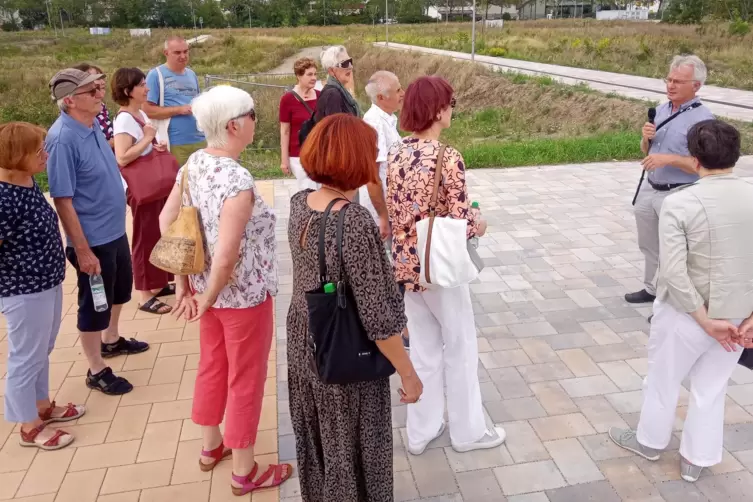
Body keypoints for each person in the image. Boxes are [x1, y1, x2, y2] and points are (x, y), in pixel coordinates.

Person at [159, 85, 290, 496]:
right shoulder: (238, 181)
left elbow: (169, 221)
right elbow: (228, 256)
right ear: (235, 125)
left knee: (213, 365)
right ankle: (244, 471)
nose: (256, 119)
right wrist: (207, 293)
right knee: (245, 378)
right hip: (241, 298)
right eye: (252, 114)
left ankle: (211, 445)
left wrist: (187, 286)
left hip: (204, 293)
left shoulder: (194, 163)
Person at [287, 114, 422, 501]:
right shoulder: (355, 221)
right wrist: (408, 373)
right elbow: (378, 317)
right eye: (371, 153)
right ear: (354, 160)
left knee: (323, 447)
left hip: (305, 343)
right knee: (356, 448)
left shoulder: (301, 204)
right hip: (346, 354)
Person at [609, 120, 753, 483]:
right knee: (712, 386)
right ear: (736, 154)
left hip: (686, 315)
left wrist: (703, 320)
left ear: (694, 158)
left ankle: (650, 442)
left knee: (663, 378)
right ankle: (696, 460)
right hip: (737, 318)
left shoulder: (680, 202)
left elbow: (673, 272)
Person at [387, 76, 504, 456]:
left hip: (406, 265)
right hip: (440, 266)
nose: (452, 109)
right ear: (438, 110)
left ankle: (421, 431)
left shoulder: (396, 151)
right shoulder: (447, 157)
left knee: (422, 349)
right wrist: (479, 223)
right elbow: (459, 218)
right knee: (460, 346)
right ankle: (469, 432)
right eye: (450, 104)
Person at [47, 68, 149, 397]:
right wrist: (82, 249)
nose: (99, 95)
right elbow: (62, 200)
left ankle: (111, 341)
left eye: (98, 88)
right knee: (94, 304)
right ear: (70, 100)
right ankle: (96, 368)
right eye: (92, 91)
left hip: (114, 231)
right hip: (92, 240)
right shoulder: (62, 138)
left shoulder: (90, 126)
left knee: (120, 291)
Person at [1, 122, 85, 450]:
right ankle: (28, 425)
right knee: (26, 356)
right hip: (23, 290)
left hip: (46, 281)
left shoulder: (26, 180)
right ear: (14, 156)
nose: (45, 155)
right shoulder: (3, 198)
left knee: (42, 349)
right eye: (37, 151)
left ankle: (41, 405)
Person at [626, 55, 714, 312]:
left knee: (673, 251)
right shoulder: (661, 109)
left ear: (696, 86)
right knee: (648, 244)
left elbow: (705, 165)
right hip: (649, 188)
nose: (671, 85)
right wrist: (645, 139)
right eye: (669, 79)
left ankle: (668, 303)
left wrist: (669, 159)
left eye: (678, 81)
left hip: (678, 192)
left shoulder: (703, 120)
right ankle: (652, 289)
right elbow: (647, 151)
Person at [111, 67, 174, 315]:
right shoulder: (125, 118)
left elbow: (142, 147)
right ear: (128, 90)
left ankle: (157, 283)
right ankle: (144, 294)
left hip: (152, 186)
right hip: (141, 188)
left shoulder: (138, 114)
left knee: (157, 234)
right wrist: (148, 139)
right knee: (144, 237)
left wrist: (153, 145)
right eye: (142, 85)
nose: (147, 88)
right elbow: (123, 157)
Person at [361, 70, 409, 348]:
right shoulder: (374, 124)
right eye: (398, 90)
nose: (402, 94)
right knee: (386, 268)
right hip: (382, 209)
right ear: (382, 97)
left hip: (392, 206)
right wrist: (382, 215)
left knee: (393, 266)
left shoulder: (387, 120)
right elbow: (372, 176)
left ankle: (398, 325)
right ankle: (394, 329)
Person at [144, 36, 206, 166]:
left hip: (200, 139)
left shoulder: (192, 74)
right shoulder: (156, 75)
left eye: (186, 51)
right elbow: (147, 110)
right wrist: (179, 110)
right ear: (166, 53)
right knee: (178, 183)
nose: (183, 56)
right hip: (173, 142)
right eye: (177, 52)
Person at [279, 57, 320, 191]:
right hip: (298, 154)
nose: (313, 77)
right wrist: (284, 160)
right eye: (309, 74)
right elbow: (285, 130)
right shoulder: (287, 99)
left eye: (315, 74)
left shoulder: (321, 96)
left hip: (319, 152)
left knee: (320, 189)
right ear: (298, 76)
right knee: (308, 189)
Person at [74, 63, 114, 148]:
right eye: (94, 89)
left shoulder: (100, 107)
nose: (101, 95)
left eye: (102, 88)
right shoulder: (77, 119)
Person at [315, 46, 359, 120]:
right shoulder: (333, 95)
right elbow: (335, 129)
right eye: (344, 63)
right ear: (331, 71)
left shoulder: (341, 90)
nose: (350, 67)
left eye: (350, 61)